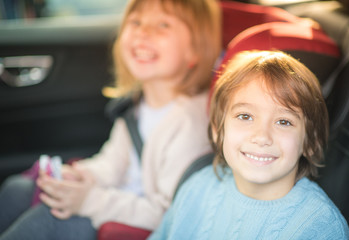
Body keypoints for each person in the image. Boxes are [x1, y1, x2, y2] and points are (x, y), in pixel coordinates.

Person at [0, 0, 221, 239]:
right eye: (135, 22)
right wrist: (83, 175)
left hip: (136, 225)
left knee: (49, 219)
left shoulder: (190, 125)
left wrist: (89, 200)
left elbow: (167, 214)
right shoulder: (139, 103)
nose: (143, 32)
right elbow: (113, 162)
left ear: (195, 51)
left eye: (163, 25)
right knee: (18, 188)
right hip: (114, 201)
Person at [149, 50, 349, 239]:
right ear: (217, 130)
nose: (262, 136)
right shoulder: (197, 187)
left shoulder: (317, 228)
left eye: (284, 122)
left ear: (310, 142)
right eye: (245, 116)